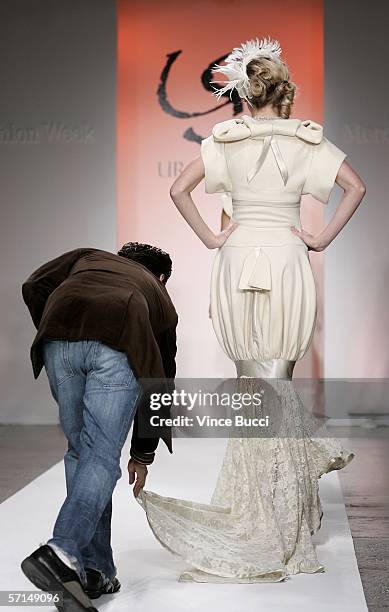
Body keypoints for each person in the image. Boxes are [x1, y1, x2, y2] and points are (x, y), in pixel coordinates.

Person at [136, 37, 366, 582]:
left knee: (252, 386)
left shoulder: (225, 140)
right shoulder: (309, 140)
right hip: (287, 254)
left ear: (244, 93)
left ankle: (269, 508)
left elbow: (178, 190)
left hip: (238, 259)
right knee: (276, 383)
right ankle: (286, 506)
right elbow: (355, 188)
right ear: (282, 90)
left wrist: (214, 242)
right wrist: (321, 238)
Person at [20, 243, 178, 611]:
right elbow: (160, 382)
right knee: (103, 456)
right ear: (162, 278)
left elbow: (33, 286)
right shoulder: (160, 298)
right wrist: (143, 452)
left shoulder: (87, 256)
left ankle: (94, 570)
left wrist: (58, 324)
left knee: (83, 454)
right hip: (116, 343)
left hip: (59, 341)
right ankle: (61, 550)